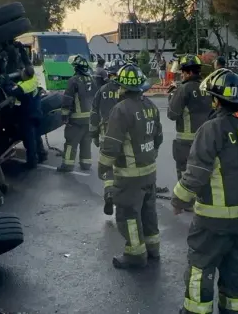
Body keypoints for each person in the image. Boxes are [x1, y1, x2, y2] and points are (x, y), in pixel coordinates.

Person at [172, 68, 238, 314]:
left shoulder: (211, 129)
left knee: (201, 267)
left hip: (213, 222)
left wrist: (178, 199)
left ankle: (195, 311)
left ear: (215, 99)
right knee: (235, 271)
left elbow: (196, 175)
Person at [98, 63, 163, 269]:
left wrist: (102, 167)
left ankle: (135, 254)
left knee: (128, 214)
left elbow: (111, 145)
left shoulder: (121, 110)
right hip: (149, 172)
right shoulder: (150, 106)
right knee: (148, 212)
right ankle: (153, 249)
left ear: (123, 87)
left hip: (129, 176)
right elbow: (158, 137)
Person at [167, 55, 213, 183]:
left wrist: (172, 95)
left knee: (186, 178)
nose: (181, 75)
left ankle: (185, 202)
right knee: (204, 175)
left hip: (186, 145)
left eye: (182, 72)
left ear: (188, 72)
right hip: (206, 141)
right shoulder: (207, 88)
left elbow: (172, 114)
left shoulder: (183, 89)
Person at [89, 59, 125, 215]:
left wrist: (94, 136)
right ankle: (124, 198)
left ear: (109, 74)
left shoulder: (102, 90)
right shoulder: (128, 91)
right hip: (124, 137)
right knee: (124, 166)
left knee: (109, 167)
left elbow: (94, 115)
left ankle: (109, 193)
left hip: (106, 135)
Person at [58, 55, 97, 172]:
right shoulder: (91, 79)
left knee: (71, 142)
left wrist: (64, 116)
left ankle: (67, 165)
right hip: (89, 119)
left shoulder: (73, 80)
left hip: (76, 120)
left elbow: (67, 99)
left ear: (76, 68)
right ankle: (86, 164)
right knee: (86, 142)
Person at [3, 65, 47, 169]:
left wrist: (6, 82)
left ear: (26, 75)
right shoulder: (33, 81)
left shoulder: (25, 87)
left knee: (29, 140)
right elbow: (19, 86)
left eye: (22, 72)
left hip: (28, 115)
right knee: (36, 136)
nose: (21, 73)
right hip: (36, 113)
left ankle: (32, 163)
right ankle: (42, 155)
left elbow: (12, 91)